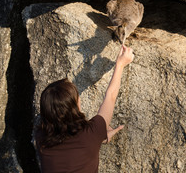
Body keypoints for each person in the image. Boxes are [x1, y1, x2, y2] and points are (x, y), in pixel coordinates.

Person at [35, 45, 134, 173]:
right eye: (78, 97)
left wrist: (100, 136)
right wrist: (120, 64)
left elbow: (70, 150)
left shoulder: (41, 138)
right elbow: (110, 96)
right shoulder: (92, 132)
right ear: (75, 106)